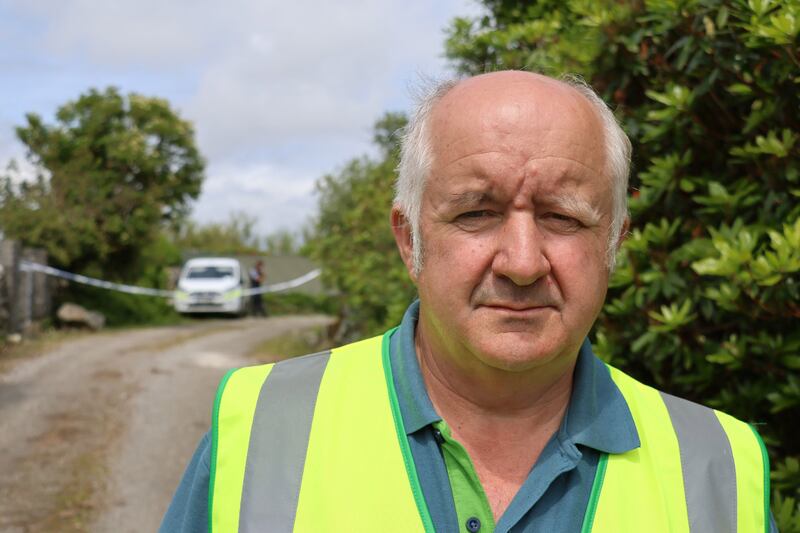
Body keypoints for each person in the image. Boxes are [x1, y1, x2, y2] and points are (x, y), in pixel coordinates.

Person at [161, 71, 775, 532]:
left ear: (613, 243)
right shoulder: (261, 426)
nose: (523, 263)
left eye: (562, 217)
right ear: (410, 240)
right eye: (476, 213)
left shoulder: (717, 466)